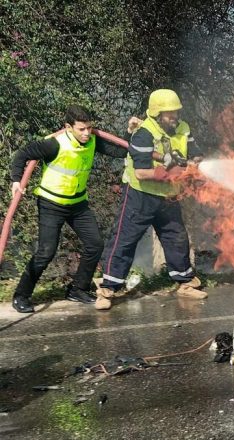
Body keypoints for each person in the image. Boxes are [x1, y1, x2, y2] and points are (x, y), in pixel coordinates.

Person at [9, 105, 134, 313]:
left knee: (95, 245)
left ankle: (78, 289)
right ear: (68, 127)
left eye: (89, 128)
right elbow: (22, 154)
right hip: (51, 204)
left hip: (78, 204)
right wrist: (15, 180)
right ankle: (21, 295)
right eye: (81, 129)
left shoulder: (93, 139)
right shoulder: (54, 145)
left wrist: (128, 131)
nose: (86, 133)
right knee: (46, 251)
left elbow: (120, 150)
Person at [96, 89, 207, 310]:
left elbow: (195, 152)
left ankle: (184, 283)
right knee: (125, 239)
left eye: (176, 112)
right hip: (140, 195)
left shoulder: (183, 128)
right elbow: (141, 172)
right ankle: (107, 288)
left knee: (176, 238)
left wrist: (193, 163)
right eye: (169, 113)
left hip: (168, 195)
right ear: (157, 114)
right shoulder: (144, 133)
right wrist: (168, 174)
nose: (174, 117)